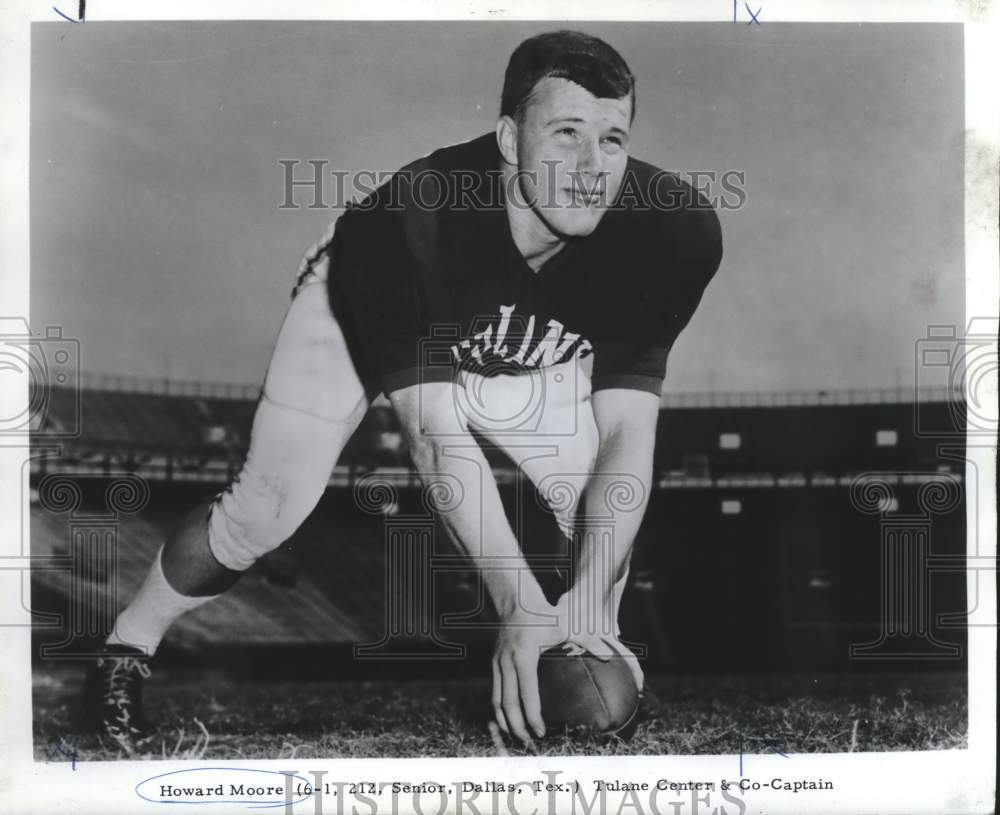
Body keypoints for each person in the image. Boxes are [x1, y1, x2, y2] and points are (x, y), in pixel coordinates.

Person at [86, 29, 722, 752]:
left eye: (612, 138)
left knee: (598, 513)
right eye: (565, 133)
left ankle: (584, 653)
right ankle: (123, 652)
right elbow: (435, 437)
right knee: (264, 509)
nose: (590, 166)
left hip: (517, 354)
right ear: (510, 140)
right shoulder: (413, 223)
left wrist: (585, 603)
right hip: (368, 315)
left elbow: (626, 433)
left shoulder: (672, 232)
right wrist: (517, 602)